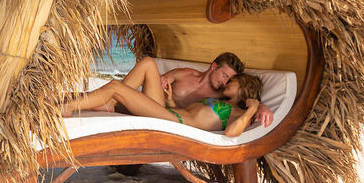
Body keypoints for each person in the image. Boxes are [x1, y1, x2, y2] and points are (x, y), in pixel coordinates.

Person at [59, 57, 265, 136]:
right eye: (226, 77)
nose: (227, 83)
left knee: (115, 87)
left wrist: (256, 108)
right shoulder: (220, 101)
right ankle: (78, 102)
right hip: (170, 114)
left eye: (232, 81)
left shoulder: (238, 112)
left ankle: (69, 107)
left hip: (173, 122)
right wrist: (169, 100)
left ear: (243, 89)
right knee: (142, 67)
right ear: (213, 67)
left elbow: (231, 133)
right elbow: (191, 112)